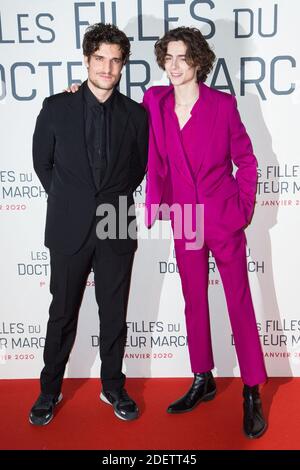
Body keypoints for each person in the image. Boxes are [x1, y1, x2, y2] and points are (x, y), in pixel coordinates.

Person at [142, 27, 267, 439]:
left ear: (198, 62)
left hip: (222, 217)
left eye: (182, 58)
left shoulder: (223, 106)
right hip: (185, 220)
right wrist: (77, 93)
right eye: (169, 58)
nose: (174, 66)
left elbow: (246, 161)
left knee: (239, 301)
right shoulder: (154, 102)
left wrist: (243, 209)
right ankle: (203, 377)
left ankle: (252, 389)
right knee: (194, 300)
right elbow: (115, 111)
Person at [29, 23, 148, 425]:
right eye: (100, 58)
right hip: (68, 225)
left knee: (114, 312)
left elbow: (138, 169)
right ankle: (49, 390)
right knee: (62, 311)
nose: (107, 67)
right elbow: (42, 164)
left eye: (115, 61)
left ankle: (113, 386)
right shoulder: (56, 107)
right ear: (87, 59)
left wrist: (107, 201)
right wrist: (71, 200)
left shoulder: (136, 115)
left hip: (115, 221)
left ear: (122, 65)